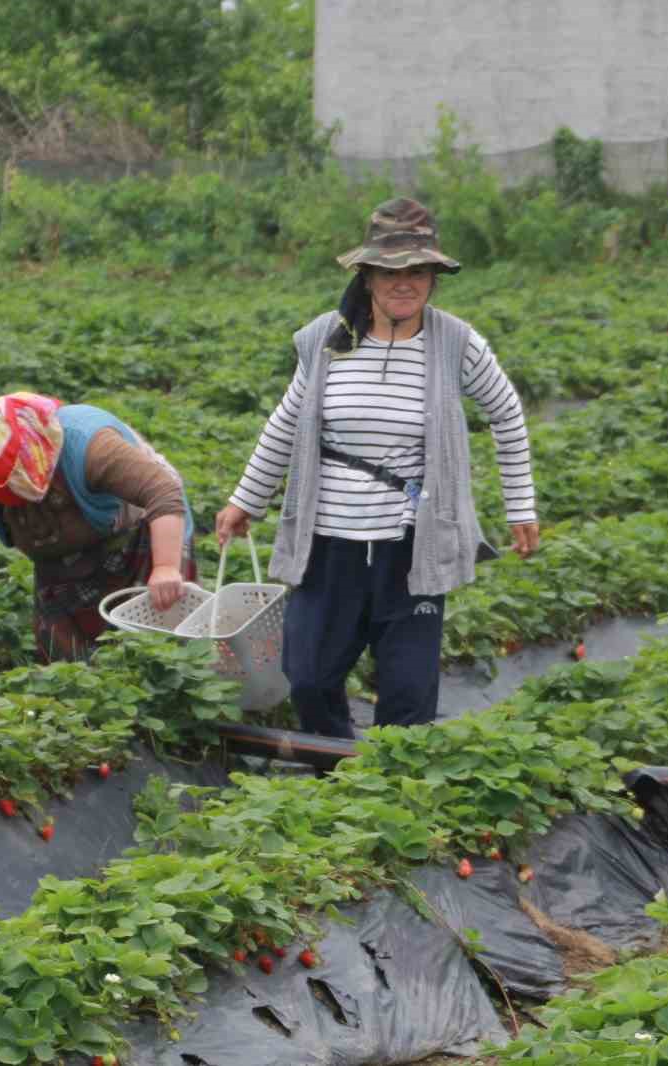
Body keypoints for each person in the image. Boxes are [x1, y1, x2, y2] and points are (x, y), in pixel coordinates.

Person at [214, 197, 539, 738]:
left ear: (434, 277)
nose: (403, 282)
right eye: (390, 271)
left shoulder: (455, 343)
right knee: (309, 680)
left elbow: (507, 414)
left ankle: (392, 801)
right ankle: (339, 786)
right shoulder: (327, 340)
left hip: (409, 549)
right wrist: (246, 499)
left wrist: (520, 505)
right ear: (366, 276)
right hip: (327, 547)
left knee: (408, 700)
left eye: (417, 271)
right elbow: (286, 421)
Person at [0, 392, 195, 663]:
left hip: (143, 535)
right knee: (63, 653)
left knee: (154, 637)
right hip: (63, 559)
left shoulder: (88, 445)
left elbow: (162, 493)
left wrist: (166, 567)